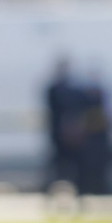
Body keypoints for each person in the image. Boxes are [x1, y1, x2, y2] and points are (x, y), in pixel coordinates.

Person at [44, 57, 82, 191]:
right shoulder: (56, 89)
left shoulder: (65, 88)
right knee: (59, 165)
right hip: (59, 135)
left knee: (71, 164)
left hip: (67, 135)